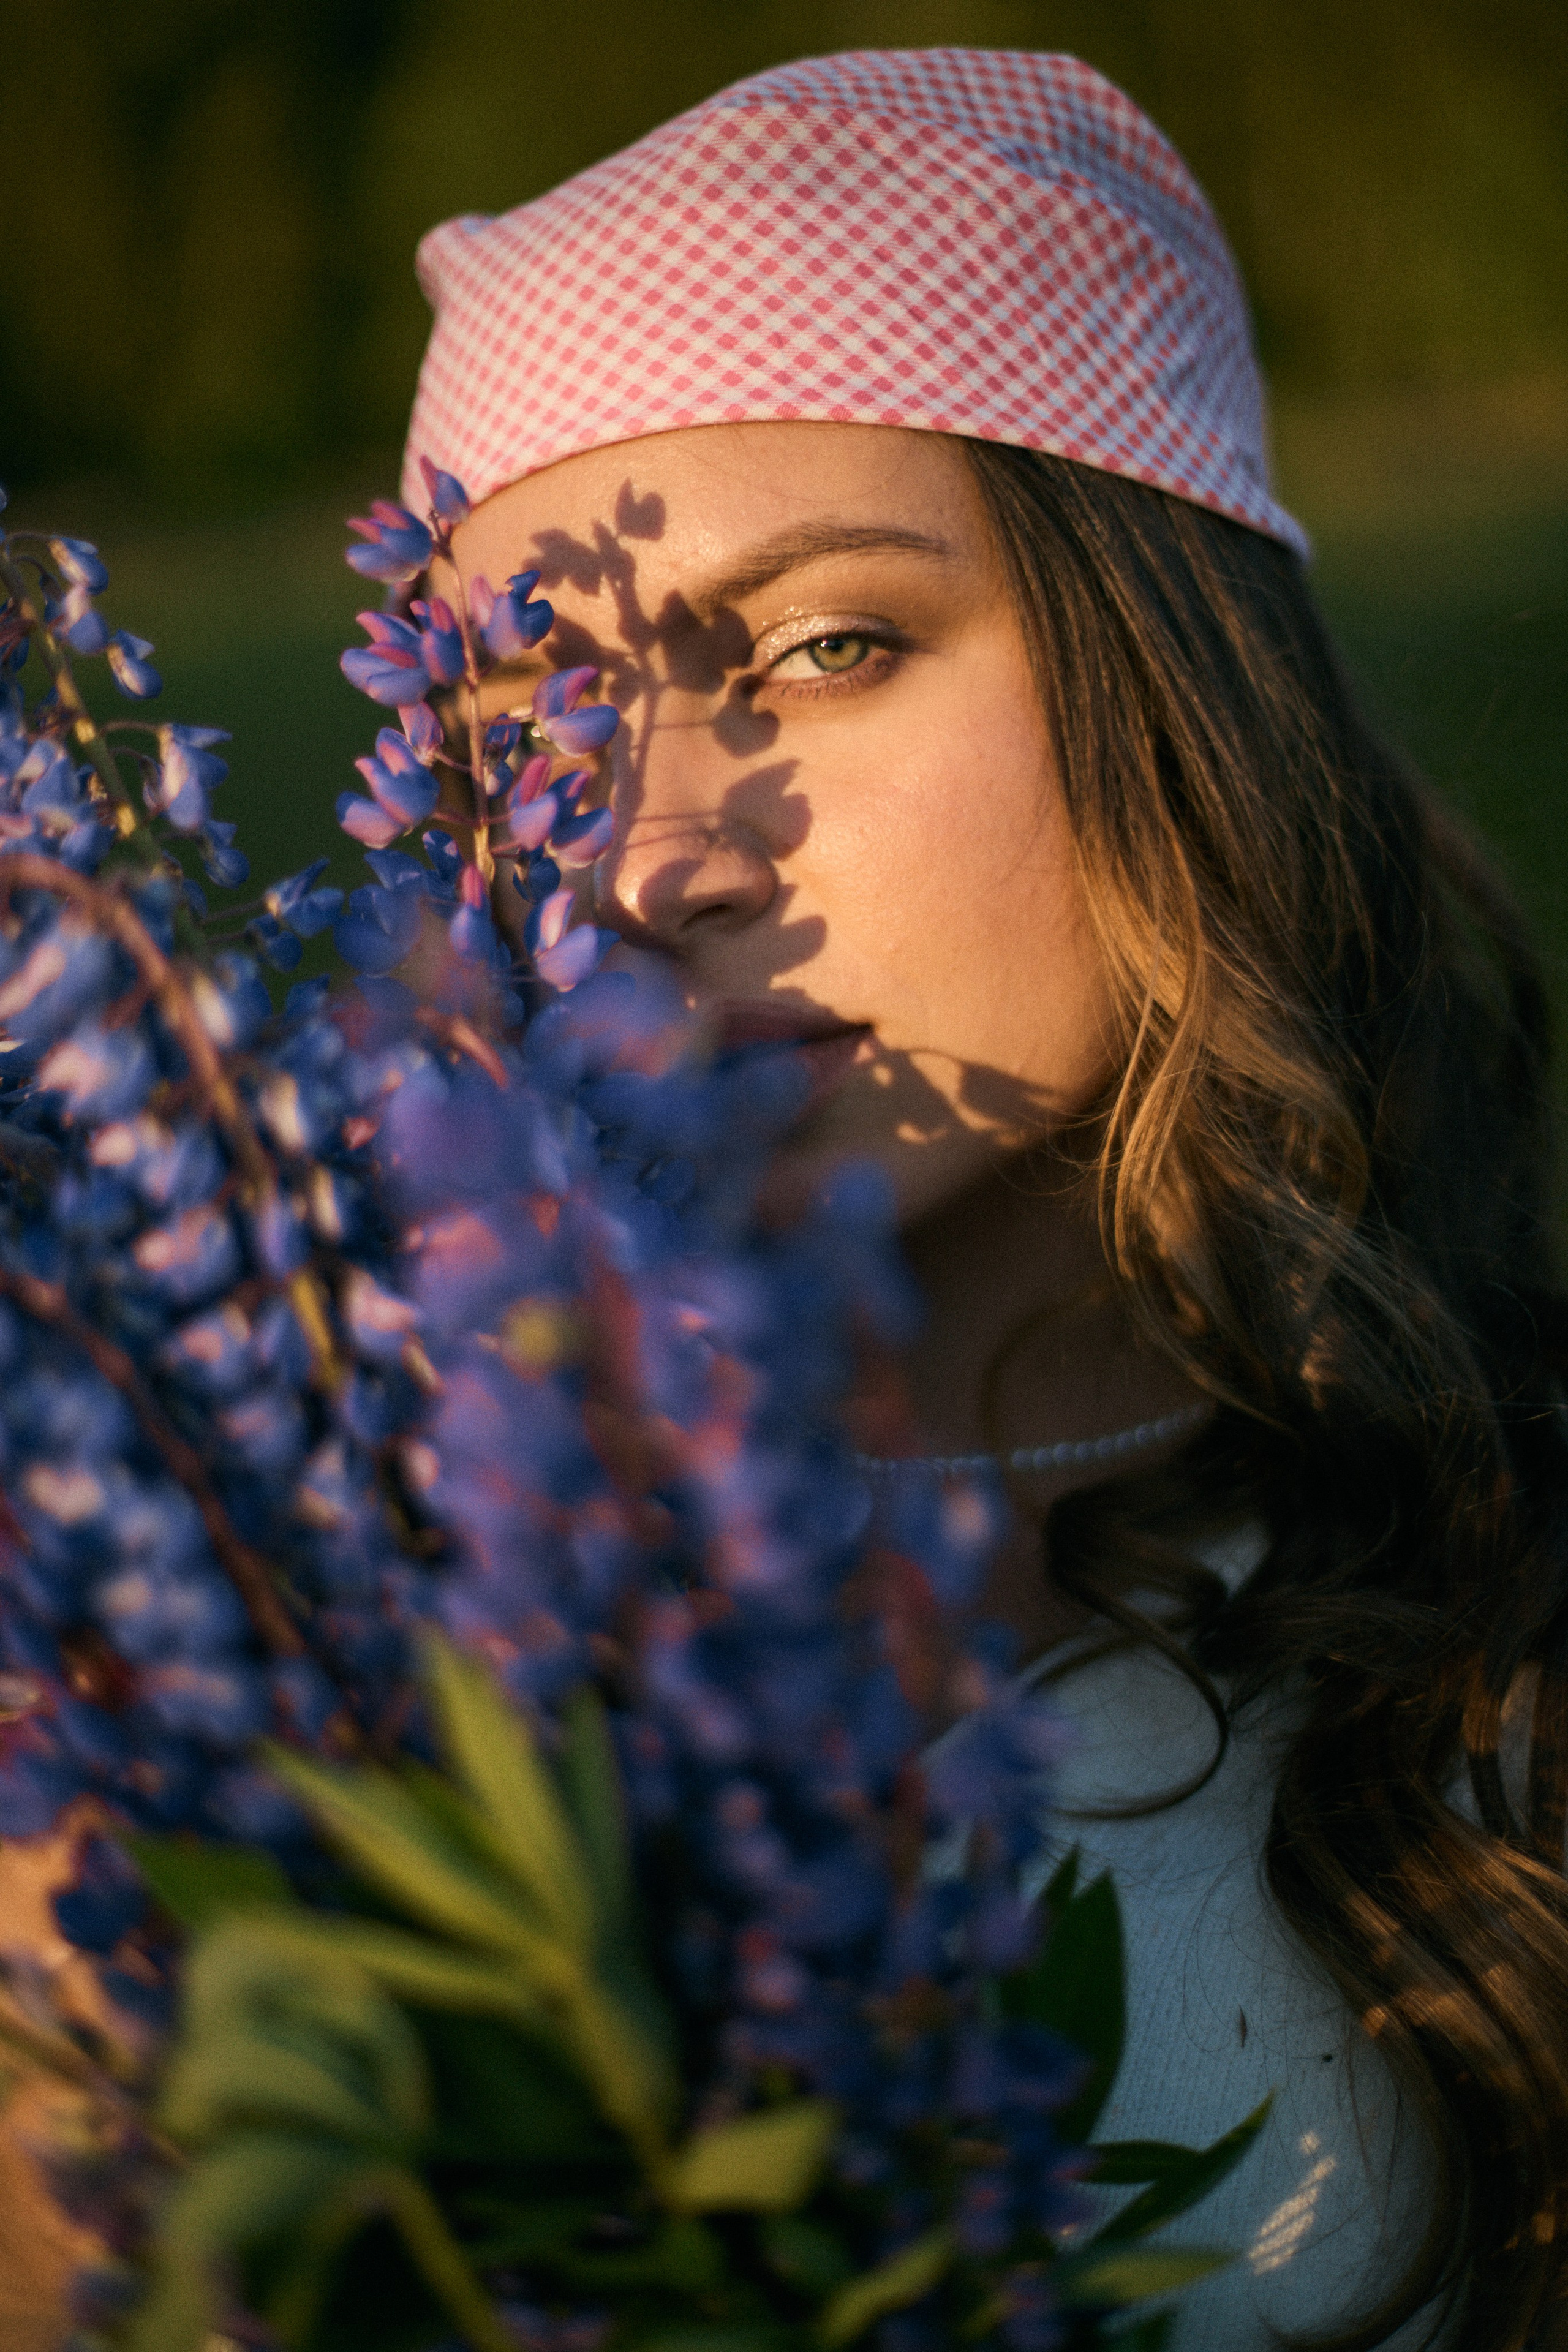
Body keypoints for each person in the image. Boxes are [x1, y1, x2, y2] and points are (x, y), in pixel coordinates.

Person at [400, 50, 1568, 2350]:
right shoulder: (353, 1610)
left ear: (1177, 671)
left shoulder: (1509, 1599)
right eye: (525, 723)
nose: (651, 857)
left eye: (822, 649)